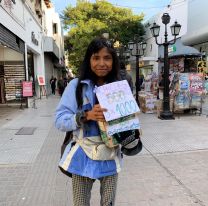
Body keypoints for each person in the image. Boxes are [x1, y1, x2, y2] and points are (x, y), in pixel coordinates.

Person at [55, 37, 122, 206]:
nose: (102, 63)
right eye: (96, 57)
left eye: (107, 58)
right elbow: (59, 120)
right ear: (88, 60)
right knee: (80, 203)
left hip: (110, 155)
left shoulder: (119, 87)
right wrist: (85, 116)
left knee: (108, 203)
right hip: (82, 157)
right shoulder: (75, 86)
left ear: (113, 61)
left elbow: (127, 123)